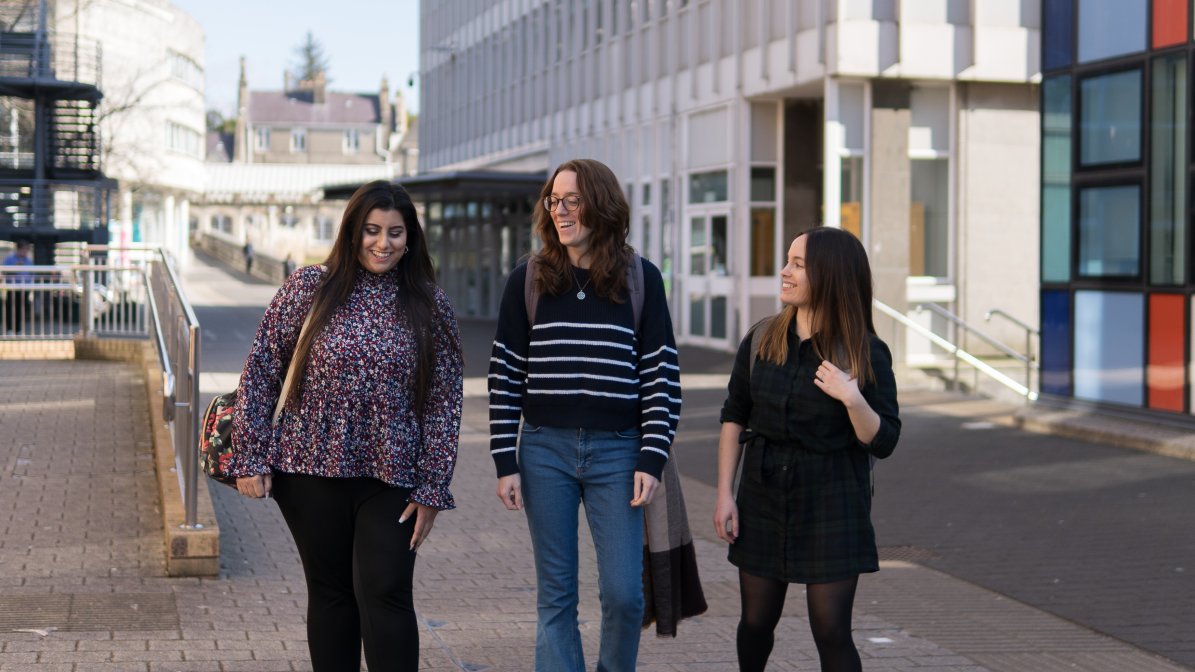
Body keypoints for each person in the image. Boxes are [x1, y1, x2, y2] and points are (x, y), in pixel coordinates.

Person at [228, 180, 464, 671]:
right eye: (372, 230)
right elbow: (262, 369)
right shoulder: (308, 287)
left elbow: (444, 401)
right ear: (352, 231)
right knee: (332, 593)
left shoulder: (429, 304)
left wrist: (433, 485)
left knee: (386, 590)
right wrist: (250, 455)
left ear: (410, 237)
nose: (383, 243)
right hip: (309, 469)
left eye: (395, 233)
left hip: (394, 474)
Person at [488, 158, 682, 671]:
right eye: (554, 200)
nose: (560, 211)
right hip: (544, 451)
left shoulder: (641, 280)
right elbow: (505, 375)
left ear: (601, 204)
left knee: (624, 595)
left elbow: (661, 377)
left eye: (572, 200)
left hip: (619, 453)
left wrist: (652, 456)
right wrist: (504, 459)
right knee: (556, 596)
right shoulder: (527, 280)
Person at [713, 227, 900, 672]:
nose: (785, 271)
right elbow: (734, 414)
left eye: (798, 264)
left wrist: (852, 397)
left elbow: (885, 439)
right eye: (789, 260)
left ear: (830, 276)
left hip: (832, 499)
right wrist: (724, 494)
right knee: (756, 623)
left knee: (831, 629)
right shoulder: (762, 339)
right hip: (762, 494)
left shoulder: (865, 351)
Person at [2, 240, 33, 334]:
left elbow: (32, 274)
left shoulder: (28, 260)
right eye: (23, 249)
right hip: (12, 288)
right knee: (10, 309)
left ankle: (18, 329)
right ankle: (9, 329)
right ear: (18, 249)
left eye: (26, 250)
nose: (25, 252)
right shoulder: (9, 259)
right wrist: (14, 270)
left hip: (24, 289)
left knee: (21, 310)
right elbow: (4, 272)